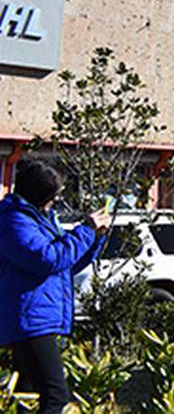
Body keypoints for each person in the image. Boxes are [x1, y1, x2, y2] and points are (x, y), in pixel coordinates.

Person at [0, 159, 109, 414]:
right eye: (56, 194)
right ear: (43, 193)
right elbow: (48, 259)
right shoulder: (13, 221)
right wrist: (86, 230)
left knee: (26, 397)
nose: (57, 200)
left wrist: (95, 238)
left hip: (39, 317)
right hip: (29, 320)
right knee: (55, 396)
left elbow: (65, 264)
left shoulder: (41, 218)